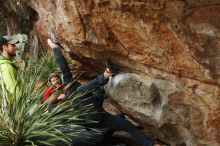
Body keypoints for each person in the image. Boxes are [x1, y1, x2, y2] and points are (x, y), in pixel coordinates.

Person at [46, 38, 163, 146]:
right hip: (86, 118)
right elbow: (64, 67)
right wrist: (55, 48)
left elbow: (98, 98)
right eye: (54, 81)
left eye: (57, 80)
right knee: (81, 91)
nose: (57, 82)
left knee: (125, 124)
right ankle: (106, 74)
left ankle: (151, 144)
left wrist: (99, 93)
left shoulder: (74, 84)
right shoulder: (67, 87)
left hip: (99, 117)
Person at [0, 35, 21, 104]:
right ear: (4, 47)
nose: (15, 47)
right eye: (12, 45)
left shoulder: (6, 63)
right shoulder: (6, 66)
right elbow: (14, 90)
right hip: (15, 108)